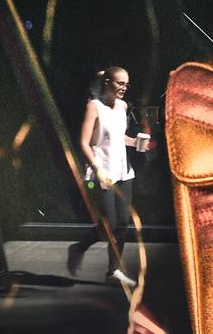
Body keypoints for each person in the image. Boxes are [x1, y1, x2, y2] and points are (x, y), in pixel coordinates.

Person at [67, 66, 143, 287]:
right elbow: (84, 143)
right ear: (108, 82)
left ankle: (114, 270)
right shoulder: (94, 106)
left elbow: (119, 137)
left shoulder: (122, 106)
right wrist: (98, 169)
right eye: (120, 83)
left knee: (123, 224)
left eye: (127, 84)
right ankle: (79, 247)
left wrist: (137, 142)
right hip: (102, 173)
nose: (124, 88)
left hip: (124, 172)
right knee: (110, 223)